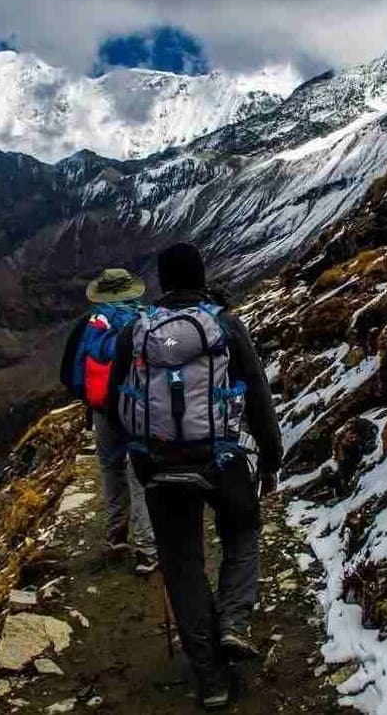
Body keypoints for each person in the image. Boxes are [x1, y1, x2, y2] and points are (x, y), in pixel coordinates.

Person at [115, 244, 282, 709]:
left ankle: (210, 680)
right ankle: (232, 623)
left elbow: (115, 402)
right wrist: (270, 457)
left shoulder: (136, 332)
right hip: (221, 458)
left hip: (158, 462)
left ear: (163, 283)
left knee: (183, 564)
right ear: (202, 277)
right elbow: (257, 395)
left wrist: (138, 457)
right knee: (243, 531)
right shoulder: (225, 326)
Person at [83, 268, 158, 576]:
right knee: (139, 473)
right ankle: (147, 548)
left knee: (110, 467)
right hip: (138, 406)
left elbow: (79, 364)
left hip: (103, 408)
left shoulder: (95, 322)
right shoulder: (147, 318)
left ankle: (117, 536)